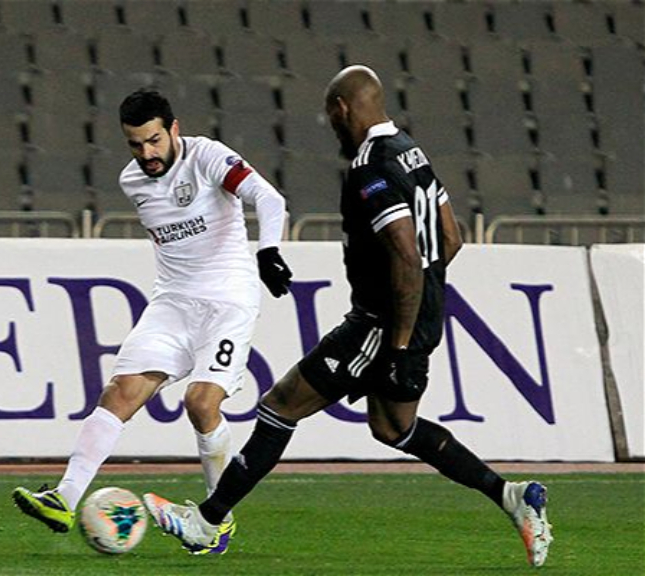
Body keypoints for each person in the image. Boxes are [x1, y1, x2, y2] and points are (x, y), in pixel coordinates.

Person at [143, 66, 554, 567]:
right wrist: (422, 302)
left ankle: (207, 523)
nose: (332, 126)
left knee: (280, 406)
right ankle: (513, 496)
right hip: (416, 316)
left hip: (382, 324)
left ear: (341, 110)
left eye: (330, 116)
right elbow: (450, 238)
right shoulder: (410, 150)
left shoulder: (370, 165)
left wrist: (396, 341)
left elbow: (406, 253)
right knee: (394, 428)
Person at [13, 89, 293, 555]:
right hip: (173, 303)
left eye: (154, 140)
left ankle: (216, 519)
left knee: (201, 403)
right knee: (119, 392)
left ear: (174, 129)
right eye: (135, 144)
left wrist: (268, 251)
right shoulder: (132, 180)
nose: (147, 154)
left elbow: (268, 197)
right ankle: (63, 498)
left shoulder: (207, 157)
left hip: (227, 300)